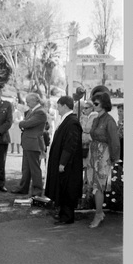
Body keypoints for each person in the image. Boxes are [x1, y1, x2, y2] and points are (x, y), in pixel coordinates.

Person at [43, 96, 83, 225]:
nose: (57, 109)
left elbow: (70, 144)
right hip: (63, 162)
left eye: (59, 106)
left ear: (65, 106)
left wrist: (62, 162)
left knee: (67, 188)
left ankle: (67, 217)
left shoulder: (72, 122)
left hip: (69, 164)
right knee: (62, 187)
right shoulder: (67, 120)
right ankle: (62, 214)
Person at [88, 92, 121, 228]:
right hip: (94, 152)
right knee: (93, 184)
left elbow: (114, 141)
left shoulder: (109, 121)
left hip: (104, 154)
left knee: (99, 185)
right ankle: (99, 212)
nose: (94, 105)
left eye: (96, 103)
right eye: (93, 103)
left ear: (104, 104)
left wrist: (114, 158)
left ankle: (98, 214)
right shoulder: (96, 119)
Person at [12, 93, 48, 196]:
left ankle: (37, 191)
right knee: (26, 168)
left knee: (34, 168)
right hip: (29, 142)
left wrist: (21, 123)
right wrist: (24, 123)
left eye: (28, 101)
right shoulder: (33, 111)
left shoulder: (40, 112)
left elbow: (27, 123)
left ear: (35, 100)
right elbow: (27, 123)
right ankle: (23, 187)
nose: (27, 103)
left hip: (34, 143)